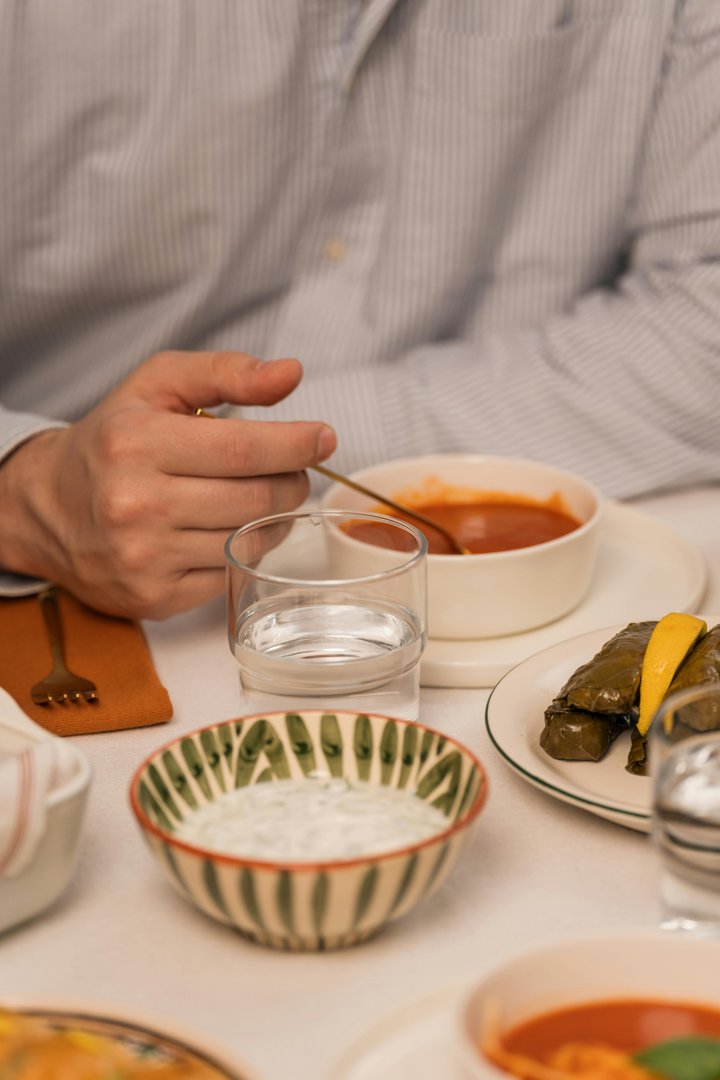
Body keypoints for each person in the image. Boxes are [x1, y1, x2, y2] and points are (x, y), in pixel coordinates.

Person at [1, 0, 719, 619]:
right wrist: (28, 487)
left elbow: (702, 330)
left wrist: (265, 437)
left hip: (539, 607)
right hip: (53, 604)